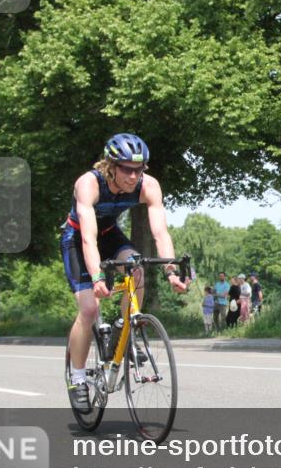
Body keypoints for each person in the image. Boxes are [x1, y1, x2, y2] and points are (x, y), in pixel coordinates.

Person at [61, 133, 188, 414]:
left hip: (110, 235)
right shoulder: (88, 183)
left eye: (139, 169)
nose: (133, 176)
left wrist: (170, 270)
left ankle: (123, 329)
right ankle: (78, 378)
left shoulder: (149, 186)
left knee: (137, 270)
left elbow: (160, 232)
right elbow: (88, 240)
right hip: (78, 238)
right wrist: (96, 277)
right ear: (111, 166)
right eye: (127, 169)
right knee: (89, 309)